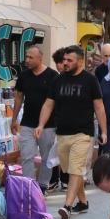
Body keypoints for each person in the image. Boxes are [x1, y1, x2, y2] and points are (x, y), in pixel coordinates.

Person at [36, 45, 108, 219]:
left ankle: (67, 206)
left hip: (83, 134)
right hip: (62, 134)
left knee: (76, 169)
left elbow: (99, 106)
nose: (65, 63)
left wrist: (104, 131)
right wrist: (40, 124)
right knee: (70, 170)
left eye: (70, 60)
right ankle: (82, 202)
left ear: (80, 61)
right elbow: (48, 104)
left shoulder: (90, 80)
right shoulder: (58, 81)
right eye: (64, 60)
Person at [12, 46, 58, 192]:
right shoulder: (24, 76)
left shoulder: (52, 76)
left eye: (31, 57)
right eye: (26, 57)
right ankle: (29, 187)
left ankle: (43, 186)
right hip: (27, 123)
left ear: (40, 58)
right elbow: (19, 97)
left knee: (46, 158)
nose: (27, 60)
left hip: (48, 125)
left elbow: (56, 101)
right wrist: (14, 119)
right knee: (26, 156)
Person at [49, 47, 69, 192]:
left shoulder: (73, 79)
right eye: (56, 62)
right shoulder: (55, 80)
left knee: (66, 151)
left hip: (69, 121)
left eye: (61, 62)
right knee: (55, 150)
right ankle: (54, 179)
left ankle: (65, 179)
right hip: (54, 120)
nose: (58, 65)